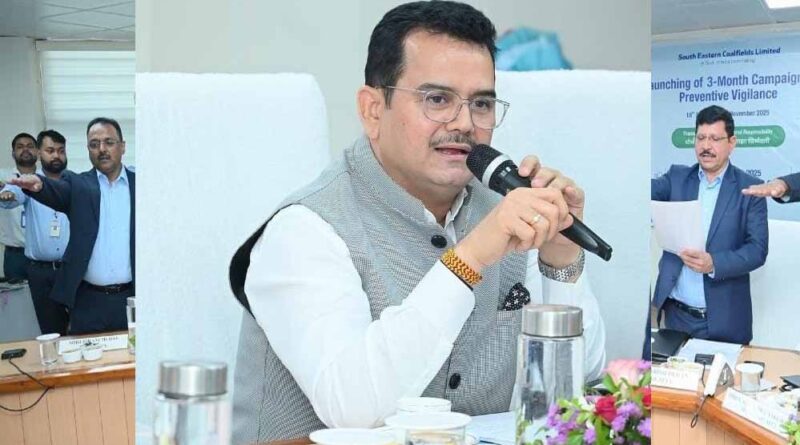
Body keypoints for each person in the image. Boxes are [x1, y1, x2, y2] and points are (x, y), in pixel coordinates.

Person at [228, 2, 606, 442]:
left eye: (482, 103)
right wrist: (471, 257)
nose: (465, 123)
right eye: (437, 99)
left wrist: (561, 263)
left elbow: (586, 376)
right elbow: (353, 410)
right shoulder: (303, 229)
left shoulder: (505, 204)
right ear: (372, 109)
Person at [652, 105, 768, 345]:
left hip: (726, 321)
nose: (706, 146)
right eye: (701, 138)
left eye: (715, 139)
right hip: (676, 318)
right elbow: (644, 191)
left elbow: (757, 250)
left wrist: (714, 263)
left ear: (732, 142)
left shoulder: (751, 189)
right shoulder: (676, 178)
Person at [9, 117, 135, 335]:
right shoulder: (78, 184)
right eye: (94, 144)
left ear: (122, 146)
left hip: (132, 299)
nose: (102, 149)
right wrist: (40, 186)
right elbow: (57, 191)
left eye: (109, 142)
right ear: (88, 149)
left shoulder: (141, 184)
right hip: (88, 302)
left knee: (134, 356)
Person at [0, 130, 71, 335]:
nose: (56, 155)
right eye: (50, 150)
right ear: (40, 154)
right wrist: (6, 195)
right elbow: (14, 194)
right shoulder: (30, 184)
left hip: (70, 268)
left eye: (61, 151)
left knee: (79, 326)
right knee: (50, 329)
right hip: (40, 271)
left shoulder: (74, 182)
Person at [0, 133, 38, 279]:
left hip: (42, 256)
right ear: (13, 153)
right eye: (20, 147)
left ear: (38, 152)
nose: (25, 150)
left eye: (30, 146)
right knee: (16, 294)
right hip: (15, 256)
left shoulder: (47, 178)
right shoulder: (3, 176)